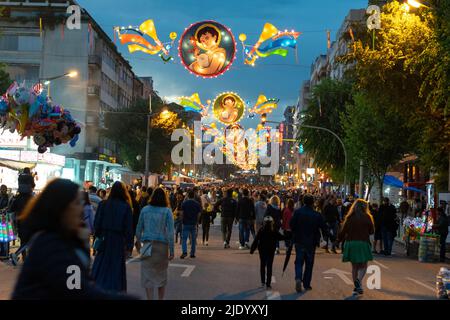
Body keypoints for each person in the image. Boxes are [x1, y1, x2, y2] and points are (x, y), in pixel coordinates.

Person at [12, 179, 130, 299]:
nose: (82, 208)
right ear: (63, 207)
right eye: (77, 203)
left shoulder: (69, 239)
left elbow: (77, 285)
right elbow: (75, 289)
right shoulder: (50, 245)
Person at [91, 181, 134, 293]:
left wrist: (98, 236)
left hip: (104, 238)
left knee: (101, 264)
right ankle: (115, 289)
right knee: (116, 266)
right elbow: (129, 228)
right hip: (118, 239)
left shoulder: (103, 204)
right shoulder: (126, 206)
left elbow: (96, 223)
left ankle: (98, 287)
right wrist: (129, 246)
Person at [136, 188, 175, 300]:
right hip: (162, 246)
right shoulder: (167, 211)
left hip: (147, 244)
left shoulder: (145, 210)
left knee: (147, 275)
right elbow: (171, 232)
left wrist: (138, 244)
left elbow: (139, 228)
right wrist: (171, 251)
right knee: (161, 275)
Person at [290, 194, 328, 293]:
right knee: (309, 263)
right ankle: (306, 284)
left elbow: (292, 225)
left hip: (299, 241)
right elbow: (324, 227)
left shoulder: (298, 212)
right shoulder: (317, 214)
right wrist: (331, 238)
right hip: (311, 242)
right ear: (312, 203)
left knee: (298, 261)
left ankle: (298, 277)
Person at [337, 199, 375, 295]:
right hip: (362, 243)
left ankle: (357, 286)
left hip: (351, 243)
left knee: (354, 267)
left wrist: (338, 240)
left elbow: (343, 231)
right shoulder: (367, 217)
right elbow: (371, 231)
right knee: (363, 265)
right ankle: (359, 280)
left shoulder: (349, 217)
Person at [250, 216, 285, 289]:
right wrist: (290, 236)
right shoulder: (274, 230)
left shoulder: (261, 230)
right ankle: (268, 284)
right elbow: (281, 237)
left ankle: (263, 282)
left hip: (262, 250)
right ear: (272, 223)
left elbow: (256, 240)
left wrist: (252, 250)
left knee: (262, 265)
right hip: (271, 251)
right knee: (269, 266)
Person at [180, 190, 201, 259]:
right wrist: (197, 221)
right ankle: (192, 253)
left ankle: (184, 252)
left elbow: (182, 213)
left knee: (184, 239)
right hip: (193, 223)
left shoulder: (184, 203)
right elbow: (199, 214)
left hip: (185, 223)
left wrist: (182, 220)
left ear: (188, 196)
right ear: (194, 196)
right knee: (193, 239)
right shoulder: (197, 204)